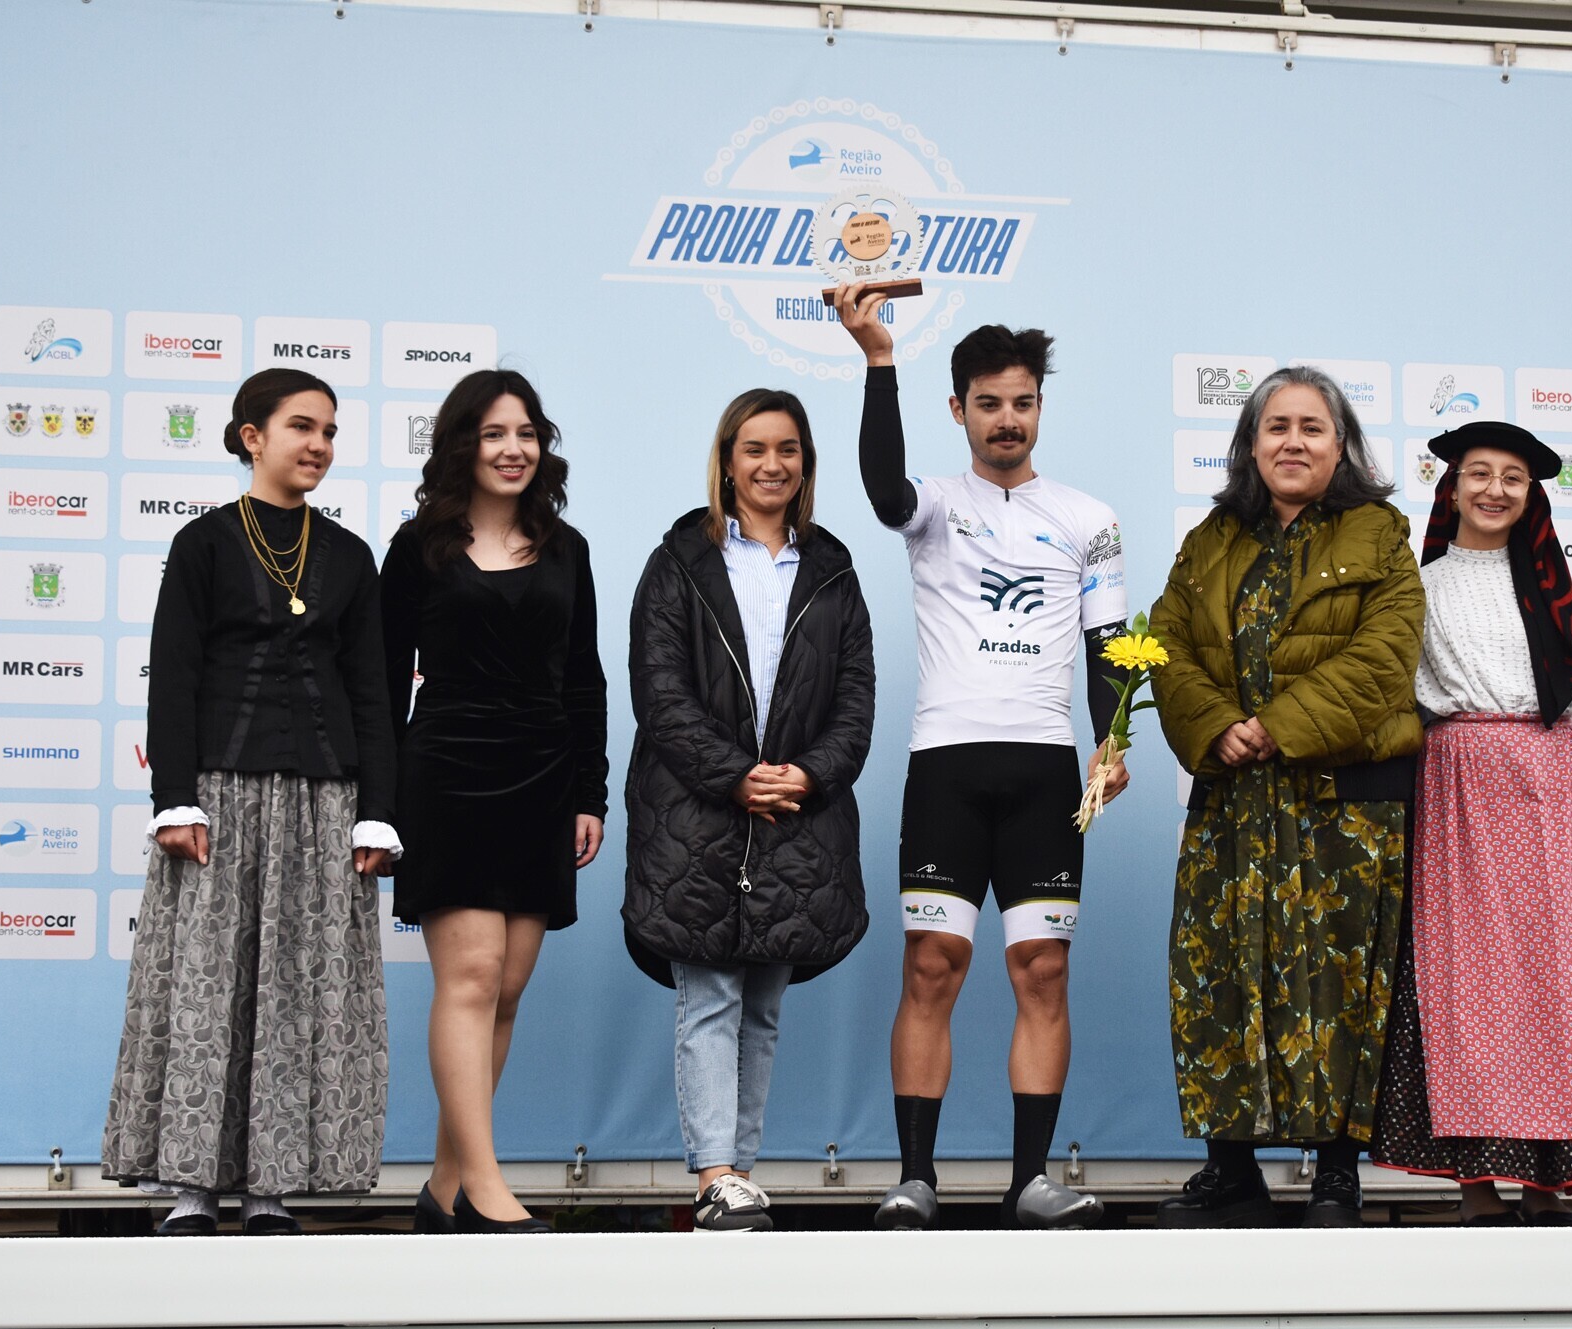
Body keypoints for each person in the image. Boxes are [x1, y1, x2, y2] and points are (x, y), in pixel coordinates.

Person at [835, 285, 1128, 1231]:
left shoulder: (1089, 517)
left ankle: (1030, 1180)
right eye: (990, 403)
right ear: (958, 408)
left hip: (1046, 772)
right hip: (947, 767)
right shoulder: (931, 506)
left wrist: (1114, 742)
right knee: (932, 965)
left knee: (1042, 971)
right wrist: (879, 360)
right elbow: (882, 487)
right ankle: (915, 1176)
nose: (1009, 419)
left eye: (1024, 402)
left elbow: (1110, 650)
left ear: (1041, 405)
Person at [101, 368, 399, 1235]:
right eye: (302, 426)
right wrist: (175, 798)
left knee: (298, 992)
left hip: (323, 805)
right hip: (220, 800)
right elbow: (174, 677)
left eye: (330, 431)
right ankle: (192, 1190)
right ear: (251, 437)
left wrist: (378, 809)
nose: (320, 444)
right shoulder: (203, 543)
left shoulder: (350, 556)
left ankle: (272, 1189)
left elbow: (373, 694)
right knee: (207, 988)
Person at [1369, 420, 1572, 1224]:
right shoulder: (1418, 585)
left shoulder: (1551, 583)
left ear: (1530, 495)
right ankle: (1478, 1188)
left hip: (1556, 778)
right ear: (1452, 485)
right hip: (1461, 778)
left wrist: (1562, 781)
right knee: (1467, 977)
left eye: (1512, 477)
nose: (1494, 489)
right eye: (1479, 473)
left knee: (1565, 974)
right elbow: (1404, 692)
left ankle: (1549, 1183)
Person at [1148, 365, 1424, 1229]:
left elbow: (1386, 656)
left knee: (1341, 982)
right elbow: (1165, 644)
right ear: (1250, 443)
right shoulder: (1210, 539)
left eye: (1312, 427)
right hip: (1233, 800)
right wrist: (1215, 724)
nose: (1293, 442)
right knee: (1218, 977)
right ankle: (1230, 1171)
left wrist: (1276, 725)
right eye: (1277, 426)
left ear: (1341, 446)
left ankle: (1337, 1174)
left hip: (1343, 806)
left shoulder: (1381, 534)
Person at [621, 388, 876, 1232]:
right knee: (710, 996)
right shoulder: (678, 561)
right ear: (727, 461)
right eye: (755, 448)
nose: (773, 464)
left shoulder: (832, 568)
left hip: (796, 816)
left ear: (806, 462)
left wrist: (808, 775)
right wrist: (735, 776)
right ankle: (714, 1174)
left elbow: (856, 699)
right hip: (698, 815)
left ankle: (739, 1176)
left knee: (763, 1004)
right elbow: (660, 693)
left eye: (788, 449)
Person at [380, 369, 608, 1235]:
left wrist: (588, 791)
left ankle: (445, 1188)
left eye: (527, 433)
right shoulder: (418, 547)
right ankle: (486, 1186)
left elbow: (583, 678)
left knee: (505, 990)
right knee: (471, 977)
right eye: (494, 434)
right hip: (448, 773)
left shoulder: (566, 547)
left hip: (541, 775)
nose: (514, 449)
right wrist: (380, 801)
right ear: (462, 446)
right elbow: (382, 680)